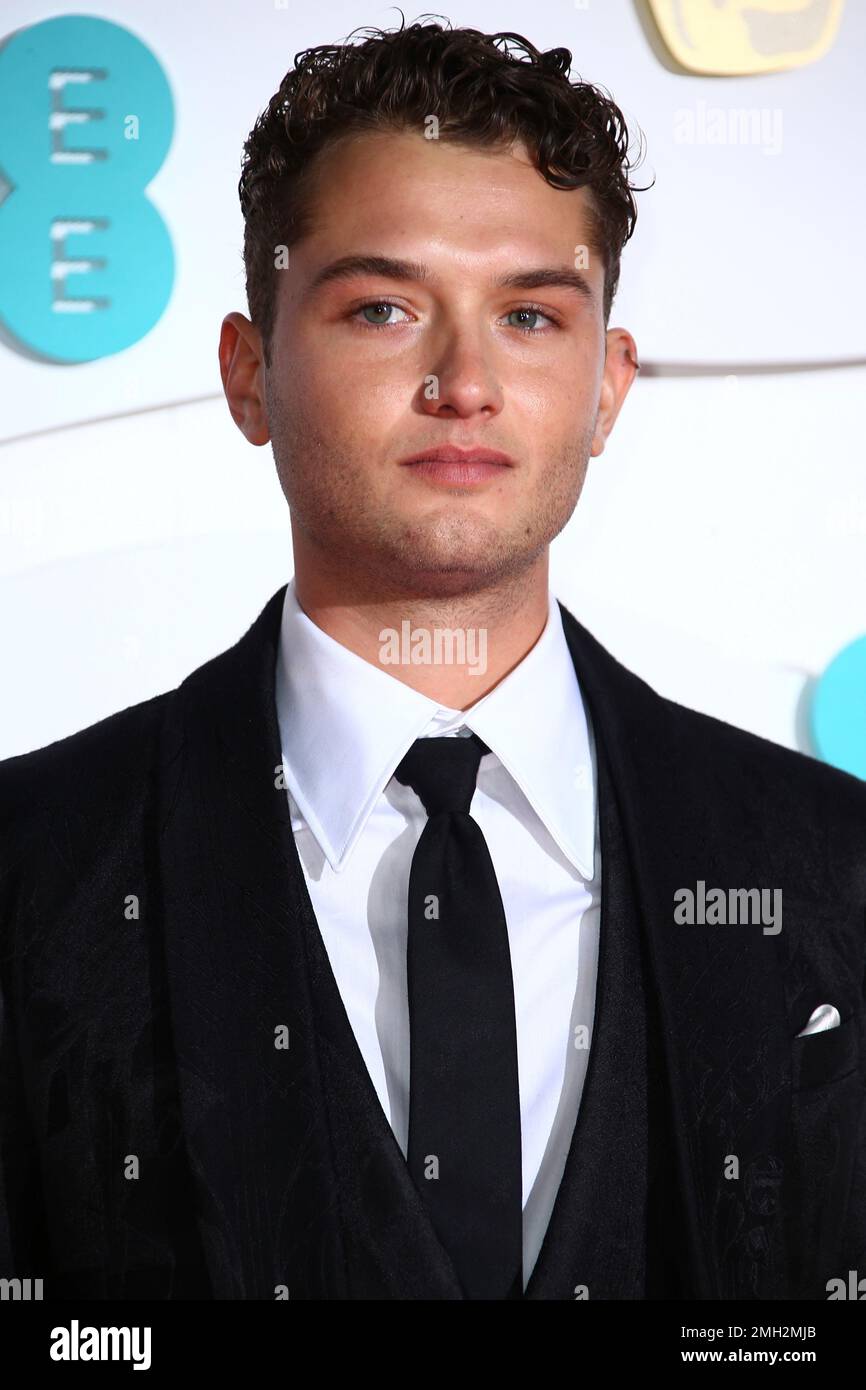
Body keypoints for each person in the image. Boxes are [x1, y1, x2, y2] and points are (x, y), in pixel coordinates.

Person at [1, 18, 864, 1301]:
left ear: (606, 385)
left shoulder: (831, 870)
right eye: (382, 308)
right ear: (248, 372)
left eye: (527, 314)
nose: (464, 382)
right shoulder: (32, 868)